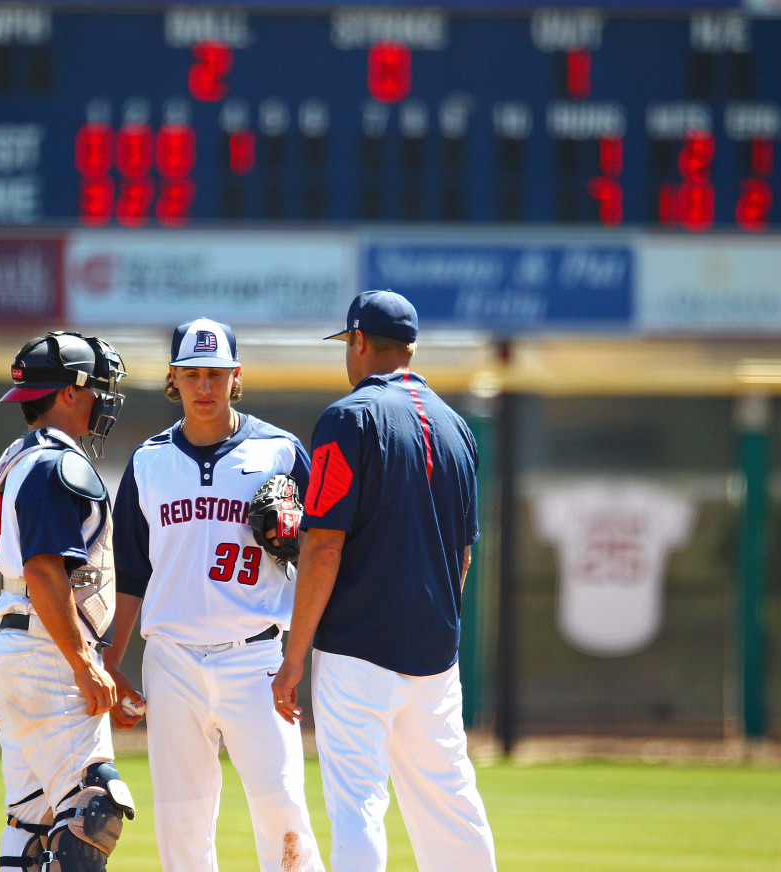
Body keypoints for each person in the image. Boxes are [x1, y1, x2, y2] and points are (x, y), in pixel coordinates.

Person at [271, 291, 497, 872]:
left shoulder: (348, 418)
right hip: (435, 658)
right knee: (450, 801)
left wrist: (294, 657)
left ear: (360, 342)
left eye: (349, 343)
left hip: (357, 651)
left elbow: (322, 545)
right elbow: (464, 555)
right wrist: (437, 632)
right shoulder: (458, 428)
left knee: (359, 805)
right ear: (412, 349)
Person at [106, 317, 325, 872]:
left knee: (283, 810)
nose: (205, 387)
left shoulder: (281, 452)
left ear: (236, 377)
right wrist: (110, 664)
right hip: (172, 659)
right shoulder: (149, 462)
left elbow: (324, 550)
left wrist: (300, 646)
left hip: (256, 655)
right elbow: (130, 576)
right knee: (182, 821)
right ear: (173, 379)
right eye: (193, 374)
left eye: (216, 374)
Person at [0, 330, 137, 872]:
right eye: (96, 386)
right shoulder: (55, 465)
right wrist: (84, 664)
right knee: (95, 811)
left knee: (31, 823)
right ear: (69, 392)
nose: (103, 397)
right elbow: (46, 573)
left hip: (16, 645)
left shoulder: (17, 457)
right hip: (47, 655)